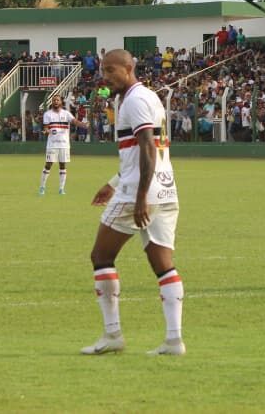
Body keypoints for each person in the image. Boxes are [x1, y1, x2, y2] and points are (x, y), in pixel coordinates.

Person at [81, 49, 184, 356]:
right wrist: (113, 183)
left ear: (129, 68)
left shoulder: (136, 100)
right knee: (163, 265)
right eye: (103, 70)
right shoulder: (142, 97)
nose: (106, 76)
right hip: (166, 190)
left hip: (140, 193)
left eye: (111, 70)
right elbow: (138, 152)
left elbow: (148, 148)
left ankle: (113, 335)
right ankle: (173, 340)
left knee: (101, 256)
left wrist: (139, 196)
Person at [38, 95, 87, 195]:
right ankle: (42, 187)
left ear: (61, 102)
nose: (56, 101)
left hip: (64, 144)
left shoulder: (66, 113)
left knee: (63, 165)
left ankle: (61, 189)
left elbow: (75, 122)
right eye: (54, 100)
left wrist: (84, 125)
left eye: (57, 100)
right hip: (52, 144)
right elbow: (46, 127)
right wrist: (47, 131)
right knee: (48, 164)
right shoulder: (48, 114)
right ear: (52, 102)